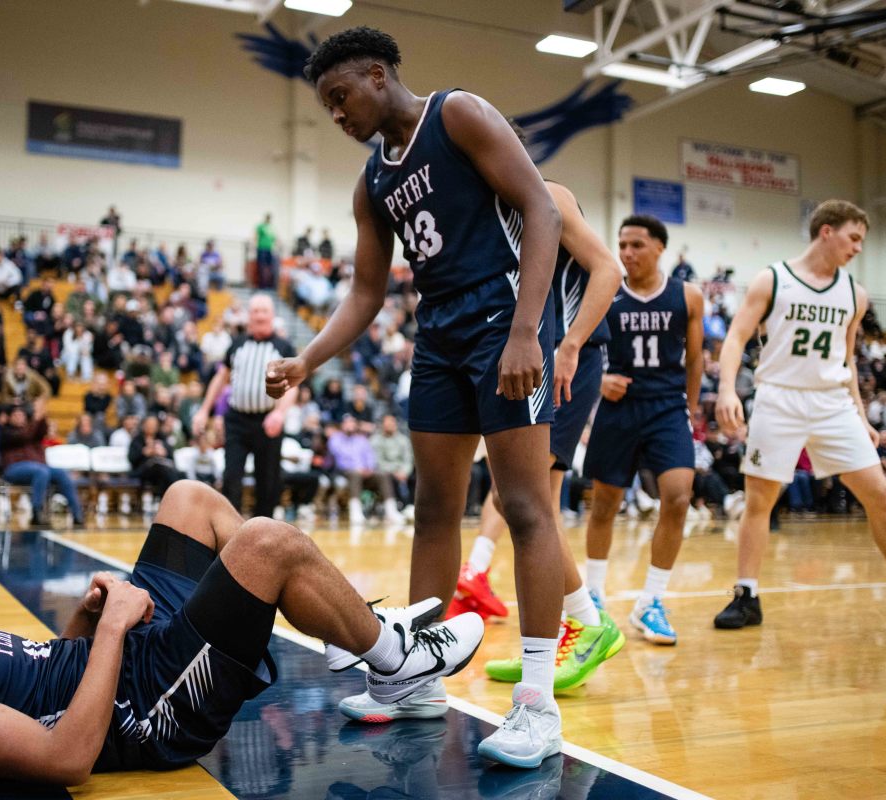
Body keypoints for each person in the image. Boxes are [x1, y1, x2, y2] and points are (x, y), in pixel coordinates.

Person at [266, 27, 565, 767]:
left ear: (377, 75)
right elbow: (367, 291)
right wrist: (308, 358)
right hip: (439, 336)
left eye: (340, 98)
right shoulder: (373, 182)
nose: (336, 116)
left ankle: (538, 703)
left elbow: (542, 210)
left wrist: (528, 330)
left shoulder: (457, 113)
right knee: (434, 506)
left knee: (525, 507)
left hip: (503, 319)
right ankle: (417, 676)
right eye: (326, 106)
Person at [0, 483, 483, 784]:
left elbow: (48, 675)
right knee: (268, 545)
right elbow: (66, 759)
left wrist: (92, 617)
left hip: (129, 662)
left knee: (189, 499)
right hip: (150, 714)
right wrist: (115, 629)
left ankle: (349, 633)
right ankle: (395, 658)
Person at [713, 200, 886, 633]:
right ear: (827, 231)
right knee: (760, 501)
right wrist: (727, 389)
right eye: (854, 237)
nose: (858, 247)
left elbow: (849, 360)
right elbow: (737, 337)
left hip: (832, 401)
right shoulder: (773, 279)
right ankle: (747, 594)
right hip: (779, 397)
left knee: (880, 494)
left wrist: (862, 417)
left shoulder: (855, 294)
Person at [437, 176, 622, 692]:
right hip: (528, 356)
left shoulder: (550, 194)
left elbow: (610, 270)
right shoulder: (483, 211)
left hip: (564, 357)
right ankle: (561, 630)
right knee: (535, 503)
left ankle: (586, 622)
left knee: (521, 496)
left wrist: (572, 346)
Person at [574, 215, 703, 648]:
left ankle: (652, 600)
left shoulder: (688, 296)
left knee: (679, 496)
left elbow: (696, 360)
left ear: (660, 248)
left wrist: (690, 406)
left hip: (667, 407)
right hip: (617, 408)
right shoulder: (606, 290)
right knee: (605, 504)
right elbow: (586, 349)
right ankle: (594, 592)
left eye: (636, 245)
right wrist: (602, 380)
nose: (627, 252)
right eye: (622, 244)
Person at [193, 294, 296, 519]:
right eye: (255, 311)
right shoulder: (237, 344)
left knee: (268, 482)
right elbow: (221, 378)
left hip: (267, 421)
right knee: (231, 477)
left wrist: (280, 413)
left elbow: (293, 386)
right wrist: (204, 410)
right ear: (249, 315)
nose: (259, 315)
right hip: (237, 420)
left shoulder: (283, 346)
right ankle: (231, 533)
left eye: (264, 311)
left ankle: (263, 532)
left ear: (272, 315)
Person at [0, 400, 85, 527]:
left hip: (37, 468)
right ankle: (36, 512)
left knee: (61, 473)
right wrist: (36, 418)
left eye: (21, 415)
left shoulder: (32, 431)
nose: (19, 417)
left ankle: (77, 514)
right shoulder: (7, 432)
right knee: (41, 471)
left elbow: (42, 429)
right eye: (16, 415)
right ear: (10, 418)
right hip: (14, 469)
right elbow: (24, 436)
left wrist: (42, 415)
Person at [254, 213, 276, 289]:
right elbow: (256, 236)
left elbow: (274, 239)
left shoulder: (271, 228)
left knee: (269, 267)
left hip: (269, 249)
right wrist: (255, 245)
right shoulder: (260, 226)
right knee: (262, 266)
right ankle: (261, 284)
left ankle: (267, 284)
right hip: (261, 248)